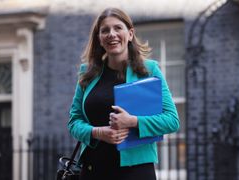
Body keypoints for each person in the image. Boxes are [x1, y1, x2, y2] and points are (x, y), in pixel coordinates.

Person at [68, 7, 180, 180]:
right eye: (105, 30)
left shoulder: (149, 70)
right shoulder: (87, 73)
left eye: (118, 28)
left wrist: (133, 121)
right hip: (92, 171)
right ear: (99, 39)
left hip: (135, 172)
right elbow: (74, 122)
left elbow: (171, 120)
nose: (111, 34)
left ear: (130, 34)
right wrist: (98, 132)